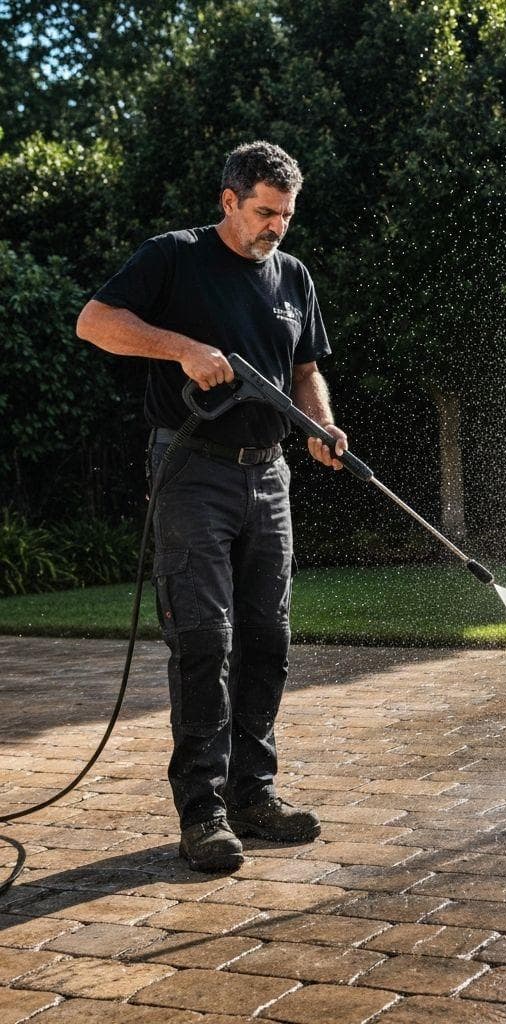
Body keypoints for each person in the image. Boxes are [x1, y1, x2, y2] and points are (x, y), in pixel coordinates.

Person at [77, 141, 347, 873]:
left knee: (269, 640)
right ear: (229, 200)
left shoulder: (292, 275)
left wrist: (320, 424)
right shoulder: (174, 256)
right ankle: (202, 813)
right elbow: (94, 321)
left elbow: (305, 369)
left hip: (269, 476)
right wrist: (180, 349)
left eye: (286, 215)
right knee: (204, 641)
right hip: (192, 471)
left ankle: (254, 796)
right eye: (264, 212)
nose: (276, 227)